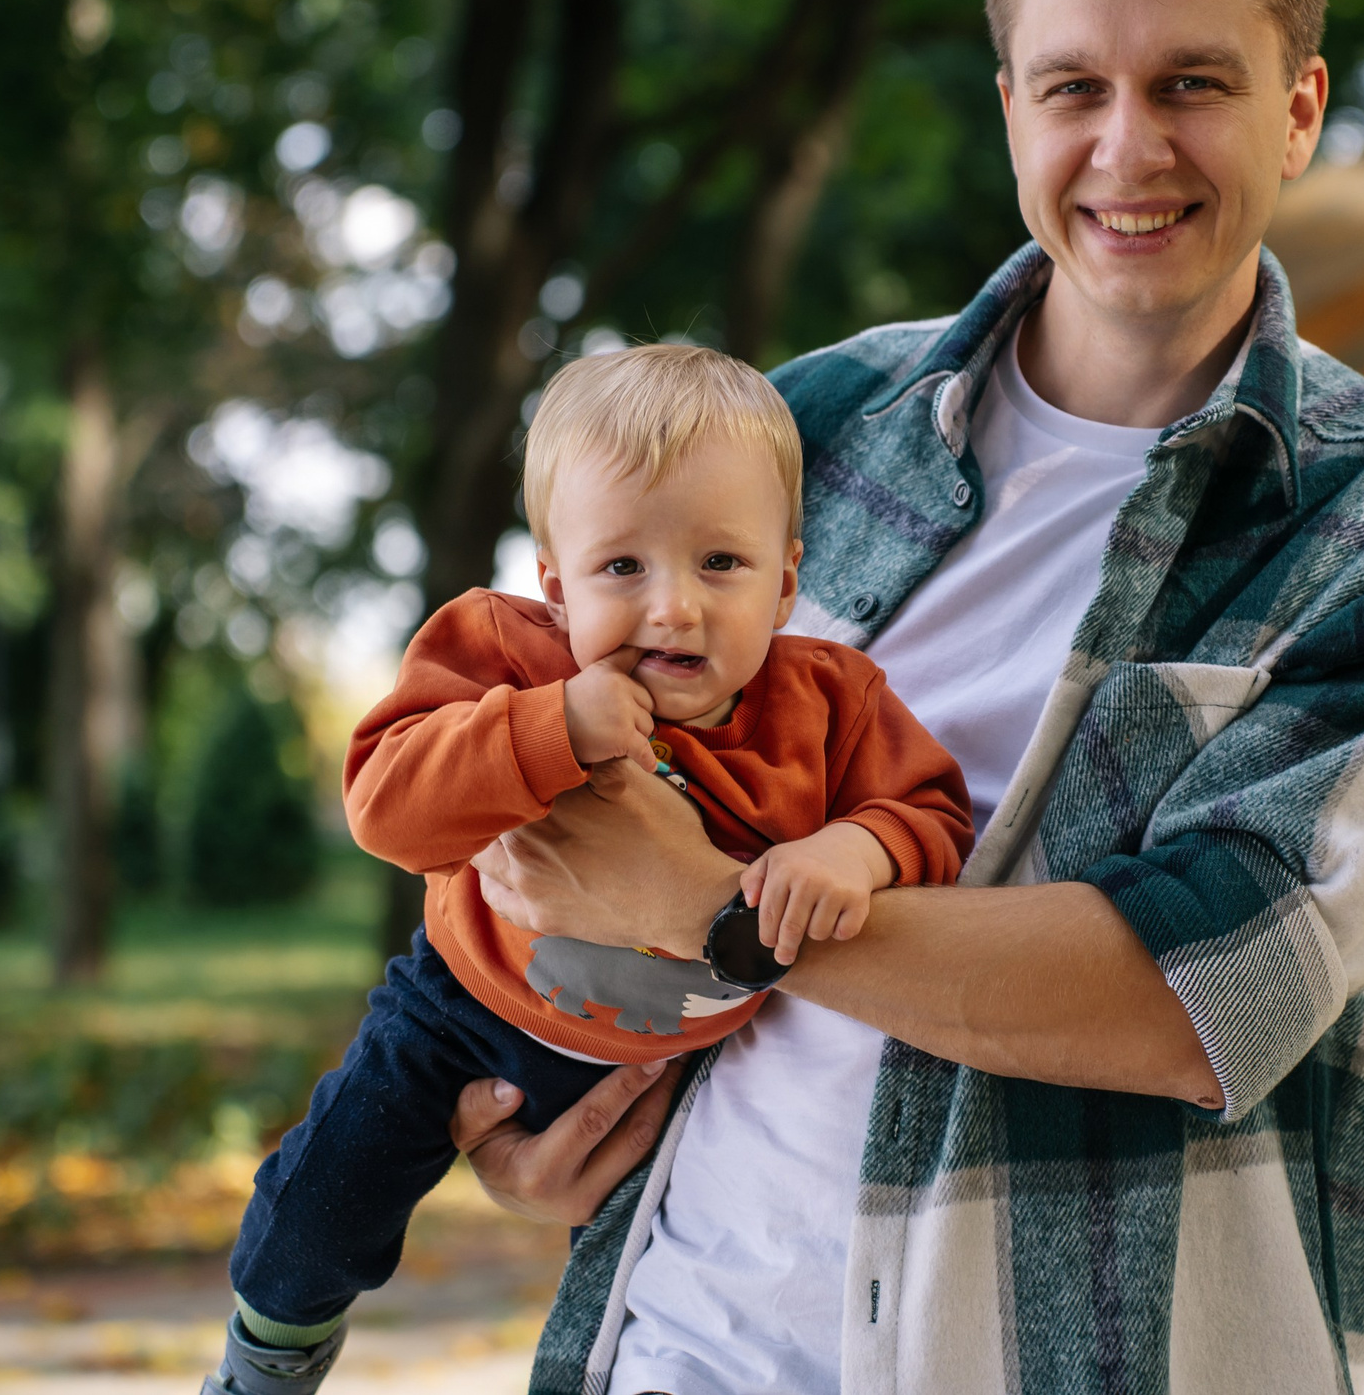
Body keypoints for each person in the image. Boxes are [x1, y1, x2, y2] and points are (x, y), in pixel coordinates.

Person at [447, 0, 1364, 1395]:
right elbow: (554, 800)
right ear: (1011, 104)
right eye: (1073, 85)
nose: (1127, 147)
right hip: (688, 1340)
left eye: (1193, 86)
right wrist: (543, 1090)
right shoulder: (806, 424)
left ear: (1298, 112)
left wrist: (710, 905)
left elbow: (1203, 995)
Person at [202, 345, 973, 1395]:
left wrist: (857, 847)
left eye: (720, 563)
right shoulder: (507, 654)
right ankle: (268, 1352)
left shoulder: (833, 702)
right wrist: (546, 726)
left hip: (675, 1068)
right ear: (554, 584)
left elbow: (930, 809)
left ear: (787, 581)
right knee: (326, 1200)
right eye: (623, 568)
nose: (673, 607)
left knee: (628, 1264)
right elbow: (384, 802)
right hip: (465, 1002)